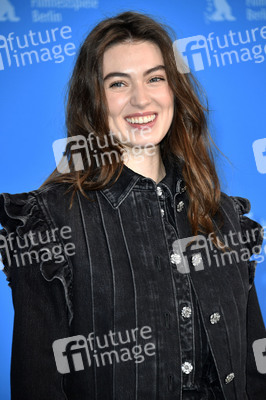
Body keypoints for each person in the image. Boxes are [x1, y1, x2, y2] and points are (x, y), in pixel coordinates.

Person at [0, 10, 265, 400]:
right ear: (93, 100)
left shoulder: (223, 215)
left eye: (155, 78)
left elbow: (255, 372)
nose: (142, 99)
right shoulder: (52, 222)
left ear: (175, 90)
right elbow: (37, 383)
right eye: (118, 83)